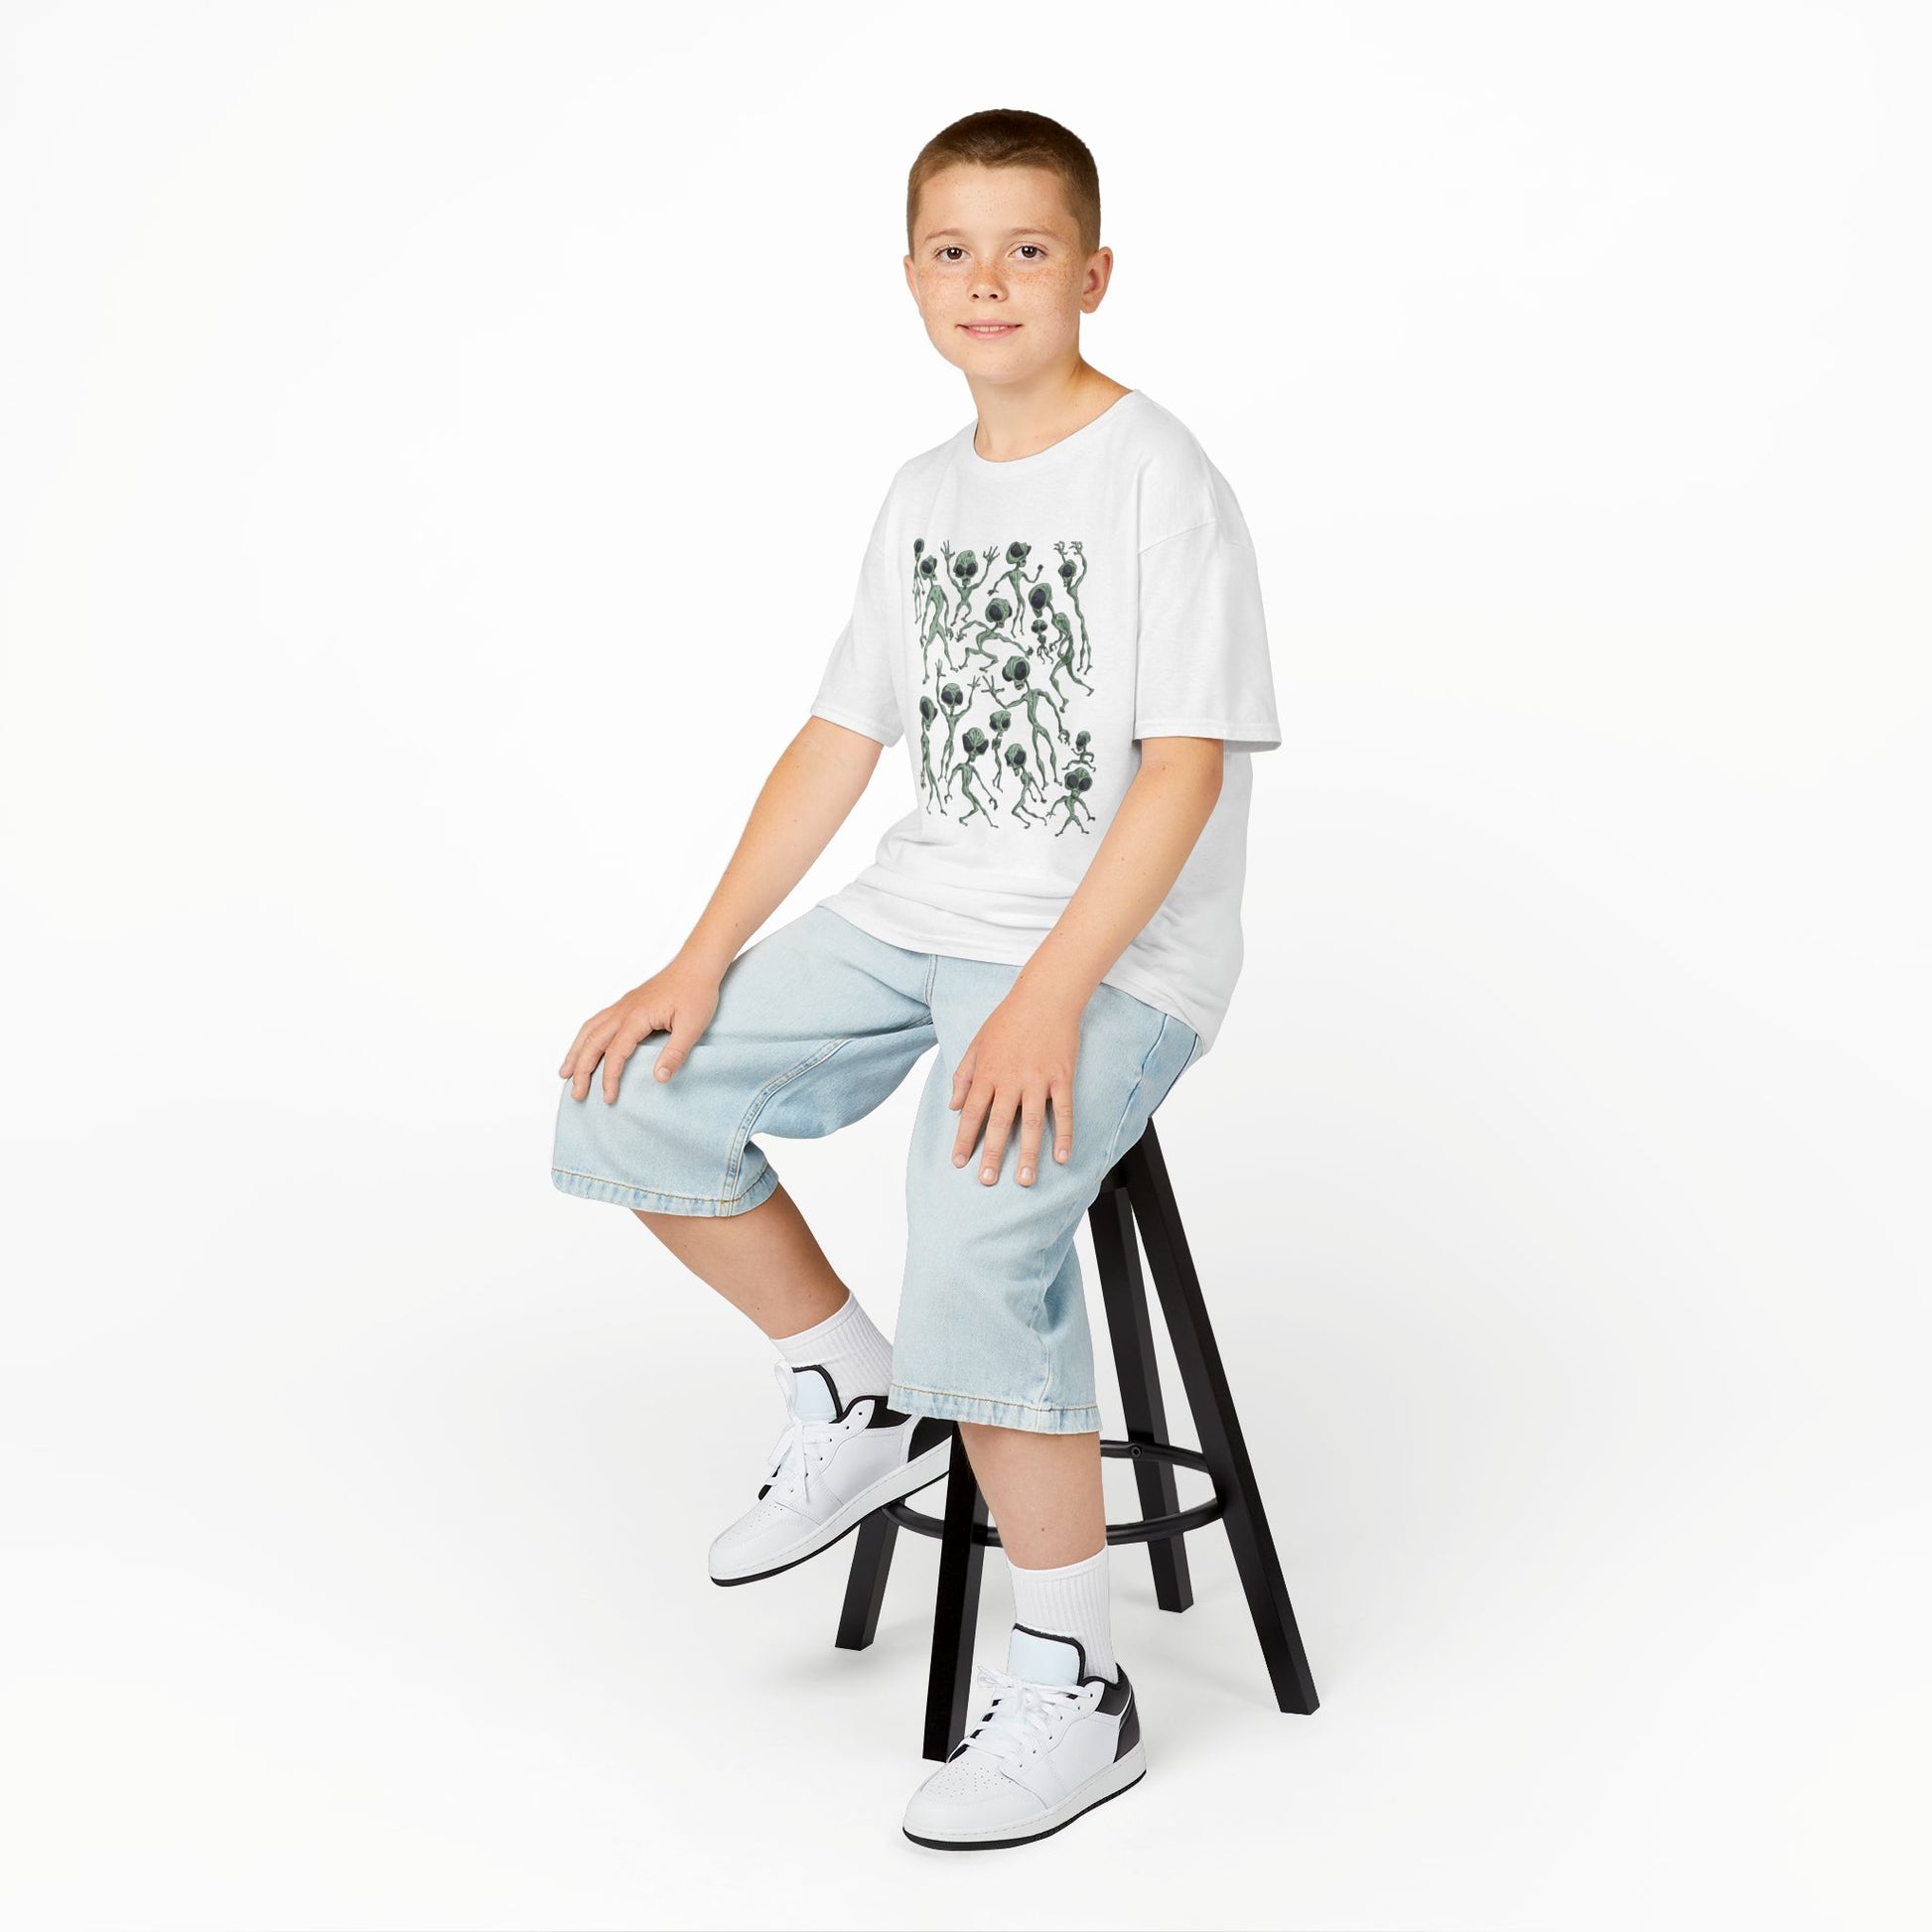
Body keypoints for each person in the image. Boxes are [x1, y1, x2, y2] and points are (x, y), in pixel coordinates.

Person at [551, 107, 1281, 1851]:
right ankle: (859, 1389)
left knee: (974, 1208)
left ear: (1093, 273)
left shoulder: (1156, 475)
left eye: (1026, 248)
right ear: (908, 278)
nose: (987, 279)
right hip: (923, 908)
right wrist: (695, 958)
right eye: (953, 250)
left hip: (1115, 950)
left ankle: (1075, 1685)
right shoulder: (921, 492)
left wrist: (1047, 994)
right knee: (635, 1093)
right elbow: (837, 738)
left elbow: (1181, 771)